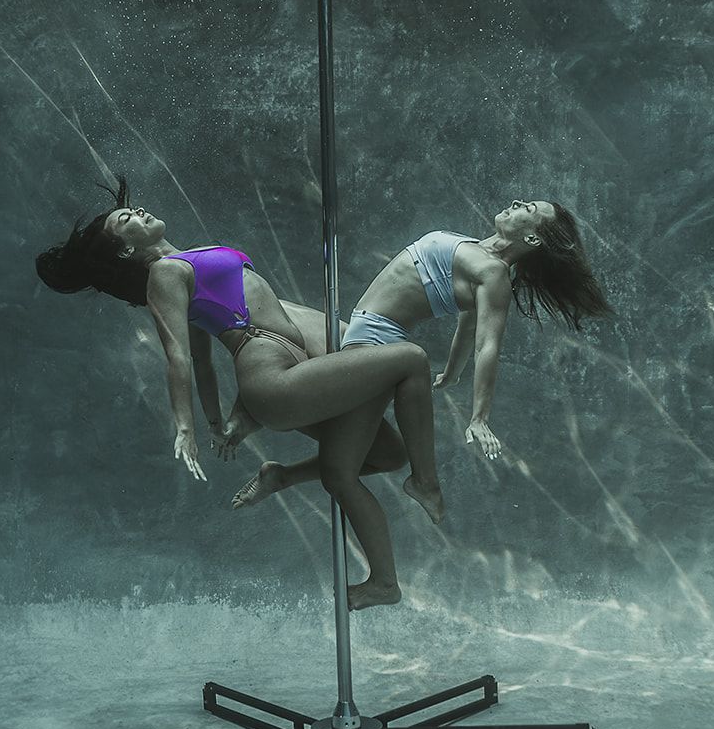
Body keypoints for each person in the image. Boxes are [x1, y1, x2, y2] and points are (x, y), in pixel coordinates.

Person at [36, 176, 444, 610]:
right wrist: (185, 427)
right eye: (127, 218)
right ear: (125, 249)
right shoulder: (164, 274)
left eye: (132, 209)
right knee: (411, 360)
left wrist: (222, 421)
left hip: (293, 362)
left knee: (384, 455)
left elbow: (207, 358)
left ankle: (288, 483)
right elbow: (179, 357)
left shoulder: (186, 263)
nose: (139, 212)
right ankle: (424, 486)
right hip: (273, 379)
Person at [228, 197, 611, 510]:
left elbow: (487, 344)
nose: (517, 201)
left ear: (532, 241)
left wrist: (479, 417)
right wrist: (454, 372)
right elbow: (468, 323)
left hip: (373, 344)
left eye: (528, 209)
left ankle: (258, 420)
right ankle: (279, 469)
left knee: (340, 462)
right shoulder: (478, 253)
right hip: (359, 332)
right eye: (525, 200)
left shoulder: (494, 275)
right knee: (385, 453)